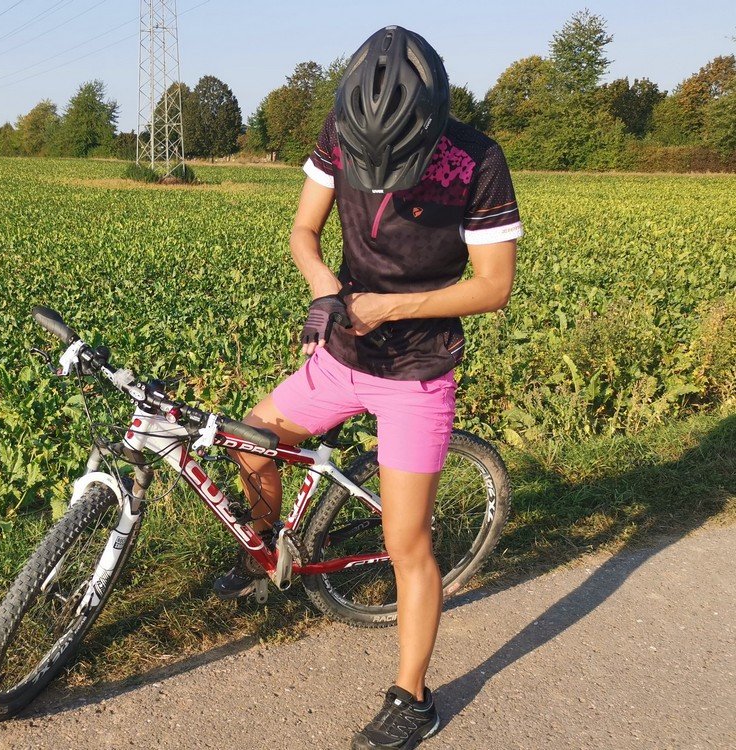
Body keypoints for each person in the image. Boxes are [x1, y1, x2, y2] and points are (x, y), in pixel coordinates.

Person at [212, 25, 523, 750]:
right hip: (342, 352)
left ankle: (413, 699)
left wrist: (392, 305)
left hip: (416, 372)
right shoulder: (341, 131)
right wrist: (325, 290)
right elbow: (302, 230)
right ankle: (264, 556)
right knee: (253, 443)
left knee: (406, 540)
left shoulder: (478, 160)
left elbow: (493, 287)